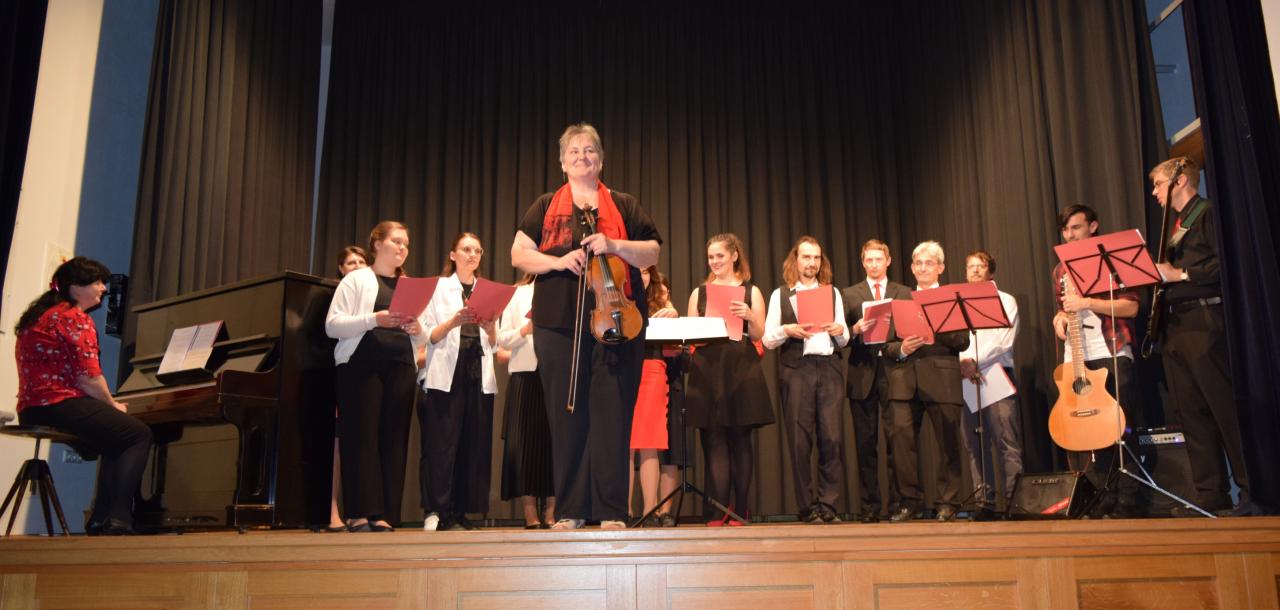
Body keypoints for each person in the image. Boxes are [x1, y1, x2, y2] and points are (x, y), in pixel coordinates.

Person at [510, 123, 662, 530]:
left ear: (601, 160)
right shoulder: (545, 206)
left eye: (590, 150)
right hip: (558, 325)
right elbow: (519, 254)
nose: (582, 156)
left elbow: (651, 251)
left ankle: (612, 510)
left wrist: (614, 245)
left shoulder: (624, 205)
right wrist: (557, 261)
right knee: (566, 417)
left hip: (618, 322)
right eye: (574, 151)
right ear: (562, 162)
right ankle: (571, 509)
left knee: (614, 416)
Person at [1148, 157, 1259, 516]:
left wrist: (1180, 274)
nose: (1155, 192)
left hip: (1205, 320)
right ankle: (1211, 494)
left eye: (1158, 184)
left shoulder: (1208, 213)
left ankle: (1252, 491)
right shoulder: (1174, 226)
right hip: (1176, 325)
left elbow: (1225, 264)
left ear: (1180, 181)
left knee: (1223, 408)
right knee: (1191, 413)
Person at [14, 257, 153, 535]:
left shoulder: (40, 316)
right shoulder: (75, 318)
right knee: (139, 434)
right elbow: (88, 378)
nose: (104, 288)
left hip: (30, 408)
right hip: (59, 404)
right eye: (98, 282)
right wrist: (112, 405)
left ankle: (100, 518)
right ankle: (119, 517)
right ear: (76, 287)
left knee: (115, 440)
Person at [325, 221, 424, 532]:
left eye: (406, 243)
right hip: (362, 364)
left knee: (394, 440)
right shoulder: (357, 279)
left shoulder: (410, 285)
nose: (402, 248)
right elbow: (332, 325)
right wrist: (374, 319)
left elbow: (423, 338)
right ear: (377, 244)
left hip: (401, 365)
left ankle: (385, 514)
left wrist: (416, 329)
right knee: (361, 437)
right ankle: (360, 512)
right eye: (396, 241)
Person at [1052, 204, 1143, 517]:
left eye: (1076, 227)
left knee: (1120, 427)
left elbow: (1131, 307)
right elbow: (1065, 308)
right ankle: (1105, 493)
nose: (1070, 235)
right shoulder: (1060, 270)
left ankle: (1129, 496)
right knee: (1091, 430)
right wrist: (1060, 319)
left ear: (1093, 226)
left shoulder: (1112, 261)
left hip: (1112, 350)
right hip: (1078, 357)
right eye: (1066, 230)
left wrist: (1087, 302)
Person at [686, 234, 775, 526]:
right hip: (707, 368)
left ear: (734, 256)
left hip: (740, 368)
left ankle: (741, 509)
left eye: (720, 256)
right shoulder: (699, 293)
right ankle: (720, 509)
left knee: (740, 439)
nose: (714, 262)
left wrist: (749, 316)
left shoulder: (751, 291)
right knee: (713, 439)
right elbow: (690, 336)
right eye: (711, 257)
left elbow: (760, 335)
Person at [763, 236, 849, 524]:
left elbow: (845, 338)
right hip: (796, 371)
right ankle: (806, 506)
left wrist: (839, 330)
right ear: (796, 260)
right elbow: (767, 339)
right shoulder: (781, 295)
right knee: (800, 442)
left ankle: (829, 505)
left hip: (829, 368)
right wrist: (787, 330)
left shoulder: (832, 293)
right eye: (806, 257)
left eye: (816, 258)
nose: (812, 263)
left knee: (832, 438)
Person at [884, 241, 969, 522]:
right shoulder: (900, 299)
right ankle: (910, 502)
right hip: (904, 379)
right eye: (918, 263)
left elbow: (962, 341)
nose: (923, 268)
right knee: (901, 440)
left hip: (942, 378)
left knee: (948, 442)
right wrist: (902, 348)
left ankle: (948, 502)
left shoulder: (950, 299)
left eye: (929, 263)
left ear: (940, 268)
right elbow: (886, 345)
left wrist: (936, 323)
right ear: (911, 268)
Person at [419, 233, 498, 531]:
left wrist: (490, 328)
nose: (472, 254)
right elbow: (428, 335)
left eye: (477, 250)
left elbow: (495, 343)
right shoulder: (437, 288)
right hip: (446, 372)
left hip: (477, 369)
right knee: (441, 444)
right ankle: (436, 510)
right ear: (453, 255)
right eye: (466, 249)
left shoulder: (487, 290)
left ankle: (461, 511)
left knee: (472, 443)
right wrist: (453, 322)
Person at [842, 239, 912, 523]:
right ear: (863, 262)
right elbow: (840, 338)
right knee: (865, 444)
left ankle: (898, 504)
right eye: (869, 260)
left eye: (878, 259)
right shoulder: (849, 294)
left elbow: (910, 328)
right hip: (862, 373)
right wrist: (855, 329)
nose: (873, 264)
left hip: (896, 372)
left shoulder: (903, 292)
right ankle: (869, 507)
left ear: (888, 261)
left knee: (897, 442)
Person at [957, 250, 1022, 514]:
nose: (974, 270)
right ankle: (985, 502)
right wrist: (964, 362)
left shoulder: (1005, 300)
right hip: (967, 375)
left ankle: (1015, 501)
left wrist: (974, 360)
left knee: (1006, 440)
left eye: (980, 266)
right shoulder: (959, 302)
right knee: (974, 444)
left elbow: (1004, 341)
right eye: (970, 266)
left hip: (996, 372)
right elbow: (956, 338)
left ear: (990, 271)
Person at [497, 273, 556, 529]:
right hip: (525, 374)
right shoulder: (517, 293)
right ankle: (530, 513)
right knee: (524, 446)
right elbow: (502, 338)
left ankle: (553, 511)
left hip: (557, 374)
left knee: (555, 444)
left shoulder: (566, 290)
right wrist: (525, 330)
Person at [629, 266, 681, 526]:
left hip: (651, 369)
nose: (642, 276)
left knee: (649, 441)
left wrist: (673, 314)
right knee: (624, 444)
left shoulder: (660, 300)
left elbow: (675, 341)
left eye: (646, 271)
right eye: (637, 270)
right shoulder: (614, 294)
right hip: (621, 370)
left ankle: (650, 511)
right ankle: (624, 512)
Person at [324, 245, 368, 532]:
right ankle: (331, 509)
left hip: (362, 374)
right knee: (336, 448)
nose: (357, 266)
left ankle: (358, 509)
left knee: (357, 445)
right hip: (334, 374)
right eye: (351, 262)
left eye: (361, 261)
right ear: (341, 269)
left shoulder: (371, 295)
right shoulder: (332, 295)